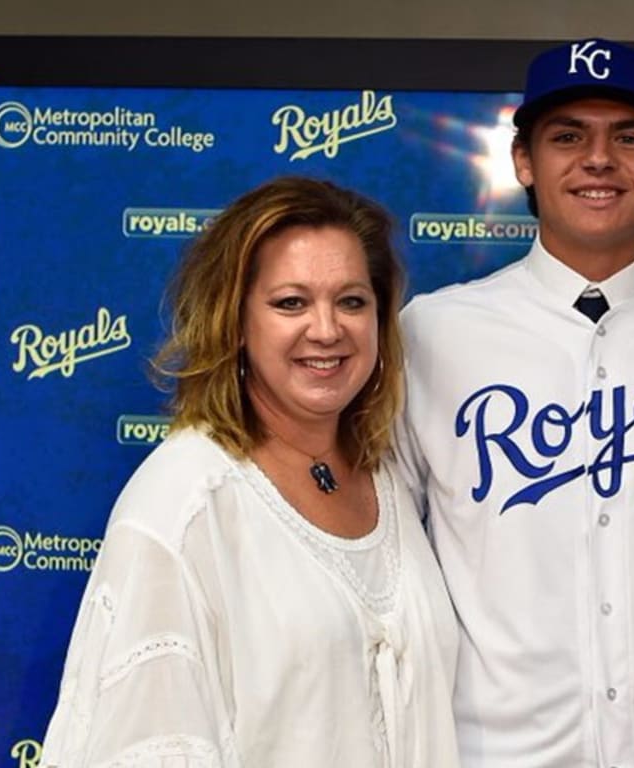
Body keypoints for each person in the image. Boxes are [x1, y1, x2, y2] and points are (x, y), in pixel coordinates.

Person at [399, 38, 634, 767]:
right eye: (567, 136)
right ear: (523, 162)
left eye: (628, 137)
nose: (598, 158)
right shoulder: (432, 335)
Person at [40, 176, 459, 767]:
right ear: (235, 322)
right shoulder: (182, 504)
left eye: (352, 301)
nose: (327, 329)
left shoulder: (388, 475)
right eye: (291, 302)